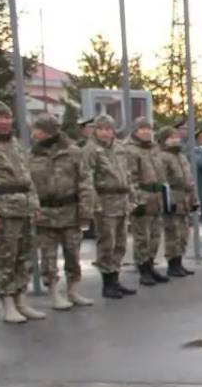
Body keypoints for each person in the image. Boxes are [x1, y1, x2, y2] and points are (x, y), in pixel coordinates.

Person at [28, 113, 96, 310]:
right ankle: (54, 294)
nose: (34, 134)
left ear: (48, 131)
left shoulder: (73, 152)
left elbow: (85, 182)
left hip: (70, 211)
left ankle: (73, 291)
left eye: (37, 130)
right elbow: (28, 185)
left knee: (73, 254)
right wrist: (33, 209)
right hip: (45, 213)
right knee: (48, 257)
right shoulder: (31, 154)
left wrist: (86, 211)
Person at [0, 101, 44, 323]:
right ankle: (8, 304)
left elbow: (28, 178)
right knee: (5, 259)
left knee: (24, 257)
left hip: (24, 209)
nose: (4, 121)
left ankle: (21, 300)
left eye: (7, 117)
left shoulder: (17, 144)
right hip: (4, 212)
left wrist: (35, 205)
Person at [83, 114, 137, 299]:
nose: (105, 133)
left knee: (120, 243)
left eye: (108, 129)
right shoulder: (91, 150)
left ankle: (115, 278)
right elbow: (87, 178)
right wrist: (93, 203)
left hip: (121, 200)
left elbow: (127, 174)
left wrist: (131, 197)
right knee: (107, 242)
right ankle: (107, 282)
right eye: (101, 129)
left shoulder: (119, 148)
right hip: (104, 201)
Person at [122, 116, 169, 285]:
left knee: (155, 235)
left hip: (156, 196)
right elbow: (130, 177)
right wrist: (136, 201)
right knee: (142, 236)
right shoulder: (130, 150)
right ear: (135, 131)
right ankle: (143, 268)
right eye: (142, 129)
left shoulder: (154, 148)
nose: (146, 132)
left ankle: (150, 264)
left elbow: (161, 173)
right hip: (142, 195)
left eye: (148, 129)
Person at [155, 125, 197, 277]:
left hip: (184, 198)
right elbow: (163, 181)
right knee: (173, 232)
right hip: (172, 197)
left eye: (176, 137)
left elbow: (189, 179)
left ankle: (179, 261)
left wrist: (193, 198)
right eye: (171, 138)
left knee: (184, 233)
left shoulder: (181, 156)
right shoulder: (163, 157)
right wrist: (167, 201)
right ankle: (172, 264)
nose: (175, 140)